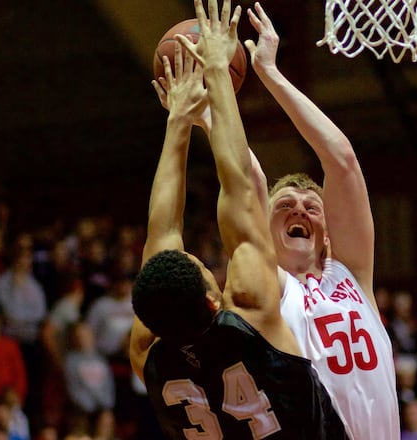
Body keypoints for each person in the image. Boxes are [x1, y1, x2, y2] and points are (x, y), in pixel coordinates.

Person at [128, 1, 347, 437]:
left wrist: (178, 121)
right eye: (206, 270)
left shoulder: (145, 350)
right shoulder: (251, 312)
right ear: (213, 301)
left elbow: (163, 232)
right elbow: (238, 188)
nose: (211, 267)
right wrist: (215, 75)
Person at [244, 2, 399, 438]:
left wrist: (270, 74)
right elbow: (247, 177)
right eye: (284, 205)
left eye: (312, 206)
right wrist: (214, 105)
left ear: (328, 233)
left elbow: (343, 160)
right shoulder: (267, 283)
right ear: (263, 225)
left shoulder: (350, 273)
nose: (299, 210)